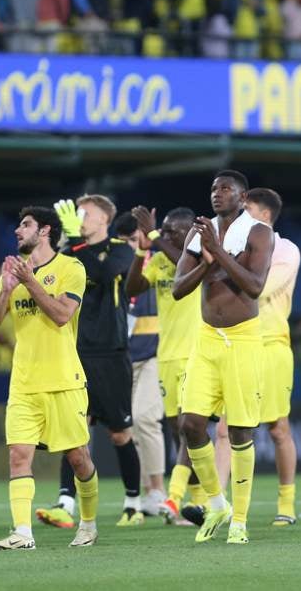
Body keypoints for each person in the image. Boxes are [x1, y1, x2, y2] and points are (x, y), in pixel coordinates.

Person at [0, 206, 99, 550]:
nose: (18, 231)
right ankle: (23, 533)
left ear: (45, 230)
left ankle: (89, 524)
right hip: (23, 382)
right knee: (18, 454)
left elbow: (62, 315)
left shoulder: (71, 267)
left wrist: (29, 281)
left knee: (78, 457)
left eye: (25, 225)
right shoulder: (15, 273)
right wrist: (5, 289)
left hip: (63, 379)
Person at [172, 170, 273, 545]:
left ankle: (241, 521)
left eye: (226, 188)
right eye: (213, 188)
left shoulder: (259, 232)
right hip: (206, 339)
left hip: (244, 339)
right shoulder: (200, 233)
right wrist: (207, 259)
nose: (217, 193)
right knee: (190, 424)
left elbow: (254, 285)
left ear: (243, 197)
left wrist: (216, 254)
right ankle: (217, 503)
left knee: (241, 430)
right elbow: (179, 289)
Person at [37, 195, 143, 527]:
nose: (80, 217)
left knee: (120, 434)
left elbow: (103, 270)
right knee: (74, 432)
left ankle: (133, 503)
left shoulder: (121, 249)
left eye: (86, 213)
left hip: (111, 352)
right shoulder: (70, 252)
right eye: (77, 211)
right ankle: (65, 503)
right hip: (76, 352)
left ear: (104, 220)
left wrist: (78, 244)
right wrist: (70, 244)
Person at [125, 204, 204, 524]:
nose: (168, 235)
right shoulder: (158, 258)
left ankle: (182, 499)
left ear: (190, 234)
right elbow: (132, 289)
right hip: (166, 355)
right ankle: (199, 503)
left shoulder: (199, 258)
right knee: (176, 430)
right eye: (166, 229)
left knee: (190, 427)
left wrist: (157, 236)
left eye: (174, 231)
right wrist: (140, 252)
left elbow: (182, 265)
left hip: (195, 354)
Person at [240, 188, 301, 526]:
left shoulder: (286, 249)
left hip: (272, 344)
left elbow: (258, 290)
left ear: (264, 215)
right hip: (237, 343)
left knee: (277, 428)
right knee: (231, 430)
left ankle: (286, 503)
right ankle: (228, 505)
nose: (240, 214)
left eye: (246, 208)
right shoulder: (235, 244)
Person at [112, 212, 166, 516]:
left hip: (155, 353)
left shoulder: (160, 261)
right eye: (124, 240)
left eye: (135, 239)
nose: (130, 245)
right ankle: (147, 492)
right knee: (127, 428)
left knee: (146, 417)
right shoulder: (113, 267)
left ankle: (157, 490)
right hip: (122, 355)